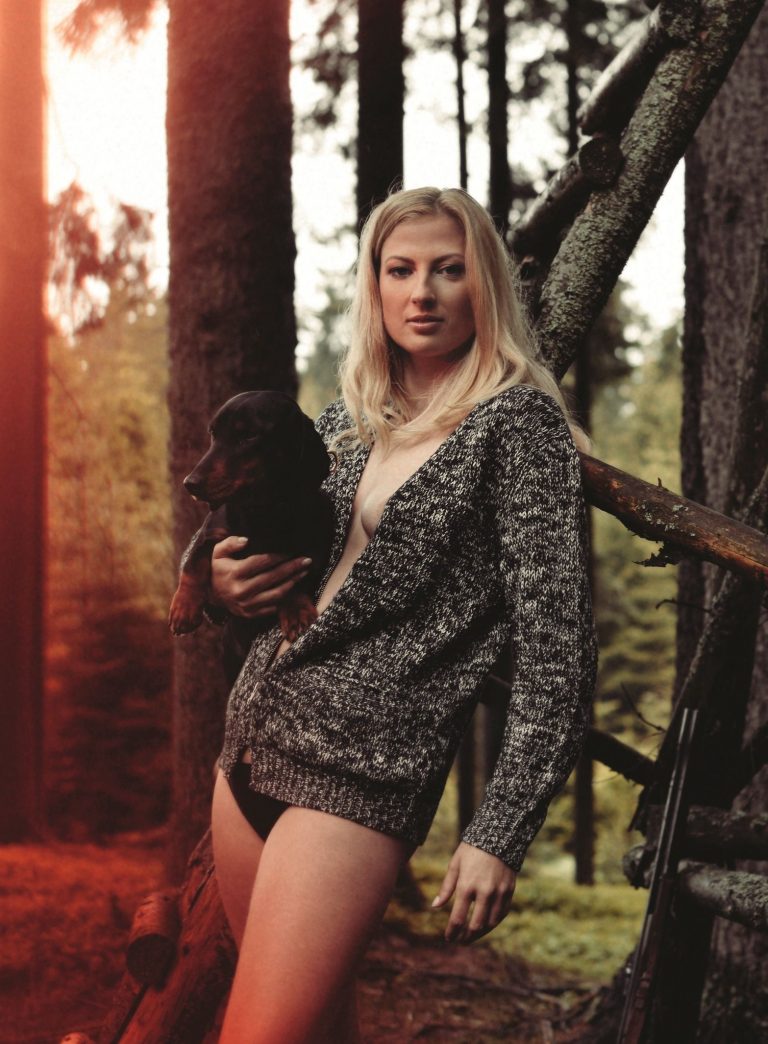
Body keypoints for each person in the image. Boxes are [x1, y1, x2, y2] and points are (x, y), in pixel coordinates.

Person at [207, 186, 598, 1043]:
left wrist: (500, 830)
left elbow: (558, 653)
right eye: (401, 270)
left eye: (448, 270)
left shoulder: (517, 427)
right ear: (375, 285)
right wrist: (225, 588)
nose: (422, 292)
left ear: (483, 283)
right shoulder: (347, 419)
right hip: (247, 754)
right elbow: (283, 558)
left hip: (356, 783)